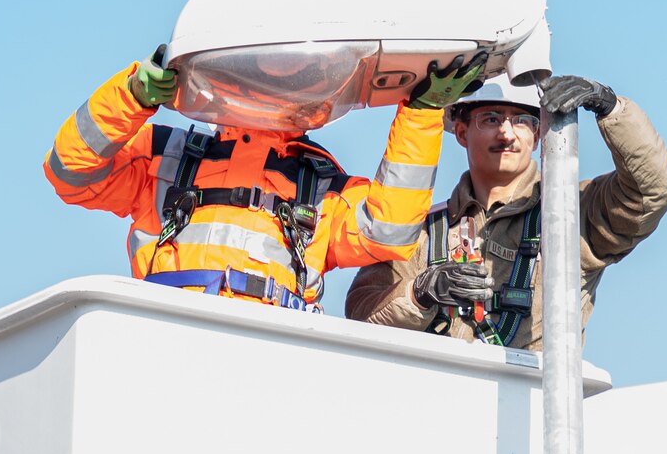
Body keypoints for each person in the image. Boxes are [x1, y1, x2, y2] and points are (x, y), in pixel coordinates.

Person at [44, 50, 487, 310]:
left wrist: (420, 115)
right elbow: (69, 170)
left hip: (271, 348)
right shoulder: (167, 155)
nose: (271, 88)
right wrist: (130, 96)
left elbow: (389, 233)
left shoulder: (323, 185)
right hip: (164, 328)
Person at [344, 75, 667, 348]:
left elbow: (654, 190)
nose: (506, 132)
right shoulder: (422, 233)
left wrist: (611, 109)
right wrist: (420, 293)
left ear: (536, 136)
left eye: (520, 121)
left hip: (531, 408)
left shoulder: (571, 215)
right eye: (491, 119)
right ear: (461, 132)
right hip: (439, 403)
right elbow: (360, 314)